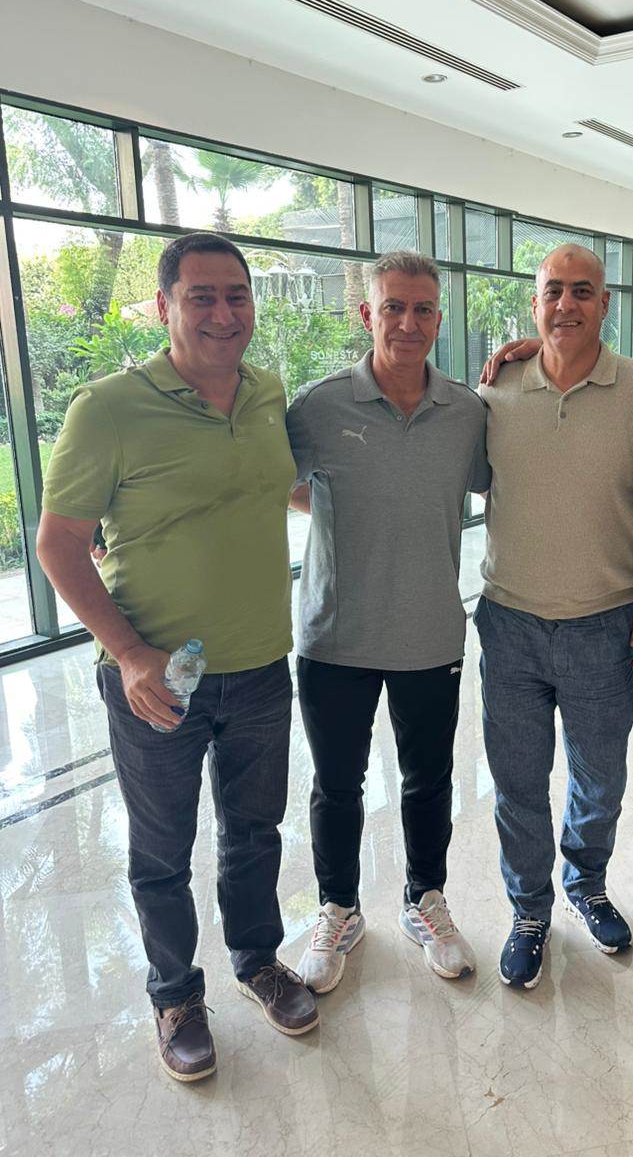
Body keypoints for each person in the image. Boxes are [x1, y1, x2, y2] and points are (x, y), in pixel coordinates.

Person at [36, 232, 318, 1084]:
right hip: (160, 675)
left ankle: (258, 961)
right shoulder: (107, 408)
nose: (224, 313)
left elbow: (280, 486)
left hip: (261, 661)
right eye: (202, 296)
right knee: (162, 850)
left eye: (237, 295)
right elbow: (58, 543)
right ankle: (175, 997)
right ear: (164, 307)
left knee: (255, 832)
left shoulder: (267, 393)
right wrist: (126, 653)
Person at [287, 250, 489, 995]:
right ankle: (339, 910)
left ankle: (424, 900)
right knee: (337, 785)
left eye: (423, 309)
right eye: (394, 307)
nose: (408, 322)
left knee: (428, 780)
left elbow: (500, 479)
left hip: (430, 631)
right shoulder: (319, 406)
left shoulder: (467, 411)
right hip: (335, 635)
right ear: (367, 314)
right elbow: (282, 485)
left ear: (438, 318)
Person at [476, 244, 633, 989]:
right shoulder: (493, 392)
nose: (566, 304)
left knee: (600, 777)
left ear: (605, 302)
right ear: (533, 305)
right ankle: (529, 910)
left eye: (582, 291)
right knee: (518, 782)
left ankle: (585, 882)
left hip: (604, 623)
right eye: (552, 291)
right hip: (510, 622)